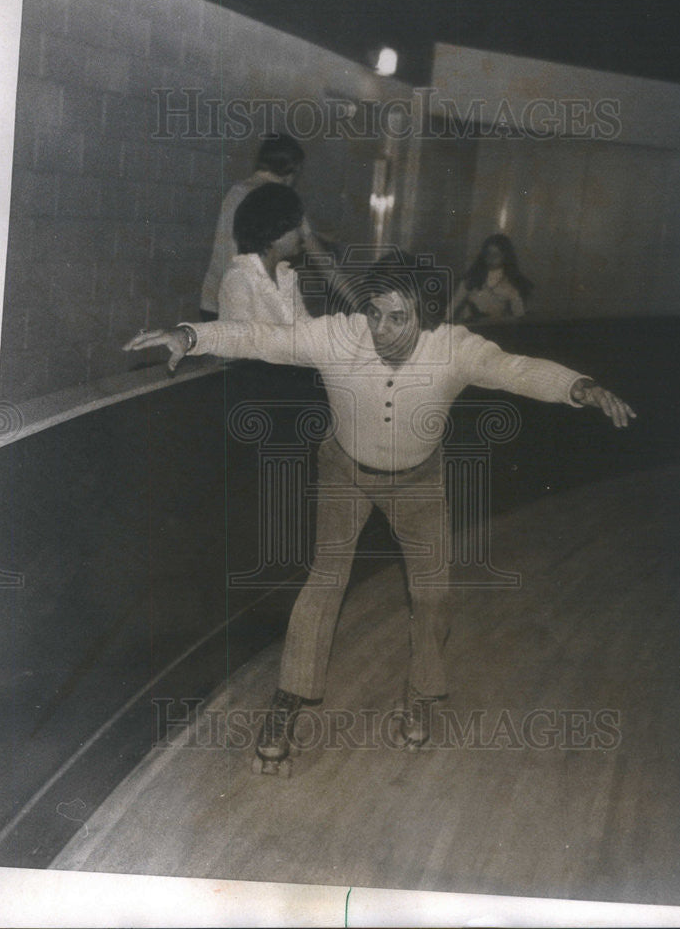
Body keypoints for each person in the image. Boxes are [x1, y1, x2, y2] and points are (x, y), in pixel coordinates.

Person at [125, 257, 636, 775]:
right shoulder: (337, 336)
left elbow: (517, 370)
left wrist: (579, 387)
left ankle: (421, 693)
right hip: (343, 472)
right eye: (375, 315)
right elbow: (261, 337)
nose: (383, 331)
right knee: (323, 583)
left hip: (419, 483)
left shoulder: (454, 347)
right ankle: (286, 704)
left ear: (427, 317)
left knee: (433, 593)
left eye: (399, 319)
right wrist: (190, 336)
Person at [200, 133, 323, 320]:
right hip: (243, 305)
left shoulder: (237, 191)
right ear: (294, 169)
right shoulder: (278, 198)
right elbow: (319, 256)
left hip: (212, 299)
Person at [218, 183, 309, 324]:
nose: (302, 234)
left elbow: (306, 328)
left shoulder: (284, 276)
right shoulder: (239, 278)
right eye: (297, 227)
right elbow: (244, 340)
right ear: (276, 232)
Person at [449, 234, 534, 323]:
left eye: (496, 254)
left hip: (494, 329)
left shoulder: (512, 283)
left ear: (506, 256)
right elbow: (454, 304)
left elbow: (519, 315)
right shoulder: (472, 278)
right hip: (470, 327)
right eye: (488, 253)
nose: (491, 258)